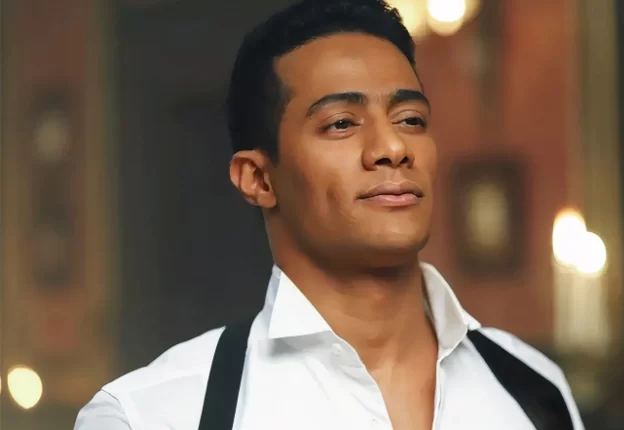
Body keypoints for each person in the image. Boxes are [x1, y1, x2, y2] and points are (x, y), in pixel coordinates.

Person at [74, 0, 585, 429]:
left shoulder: (532, 387)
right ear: (259, 179)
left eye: (411, 119)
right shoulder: (155, 414)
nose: (392, 147)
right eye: (341, 123)